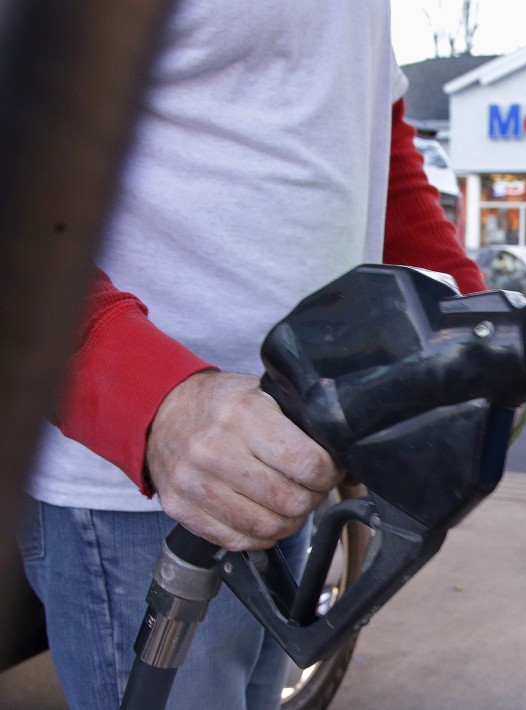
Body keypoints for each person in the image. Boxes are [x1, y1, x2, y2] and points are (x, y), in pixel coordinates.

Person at [18, 2, 486, 708]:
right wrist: (154, 404)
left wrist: (469, 318)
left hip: (289, 457)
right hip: (140, 487)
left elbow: (368, 139)